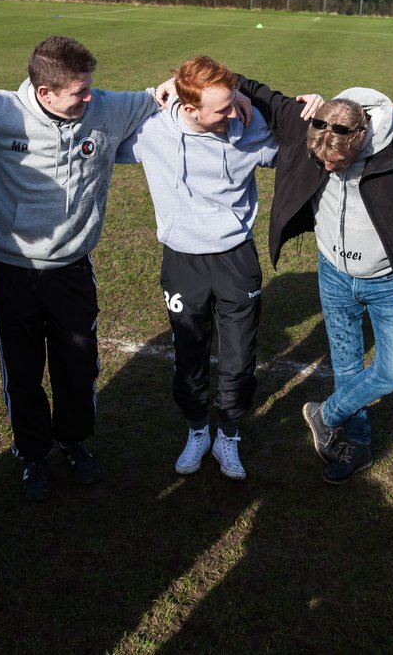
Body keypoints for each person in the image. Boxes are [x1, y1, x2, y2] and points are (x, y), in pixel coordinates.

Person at [0, 36, 165, 501]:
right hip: (13, 269)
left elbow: (160, 97)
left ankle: (74, 440)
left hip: (72, 268)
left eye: (90, 89)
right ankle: (31, 454)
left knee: (77, 365)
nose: (90, 99)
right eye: (78, 93)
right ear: (44, 93)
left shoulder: (106, 107)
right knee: (22, 371)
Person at [233, 75, 393, 484]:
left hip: (390, 282)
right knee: (347, 367)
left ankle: (325, 414)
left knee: (392, 373)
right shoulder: (306, 122)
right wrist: (177, 84)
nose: (328, 170)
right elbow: (252, 88)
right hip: (333, 275)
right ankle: (356, 445)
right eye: (321, 163)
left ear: (361, 139)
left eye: (337, 164)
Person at [117, 55, 281, 479]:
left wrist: (255, 97)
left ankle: (228, 433)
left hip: (236, 258)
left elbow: (300, 147)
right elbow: (94, 135)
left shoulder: (249, 127)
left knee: (239, 355)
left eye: (235, 102)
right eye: (223, 108)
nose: (235, 114)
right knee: (189, 353)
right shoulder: (152, 133)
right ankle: (196, 429)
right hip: (182, 261)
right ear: (189, 109)